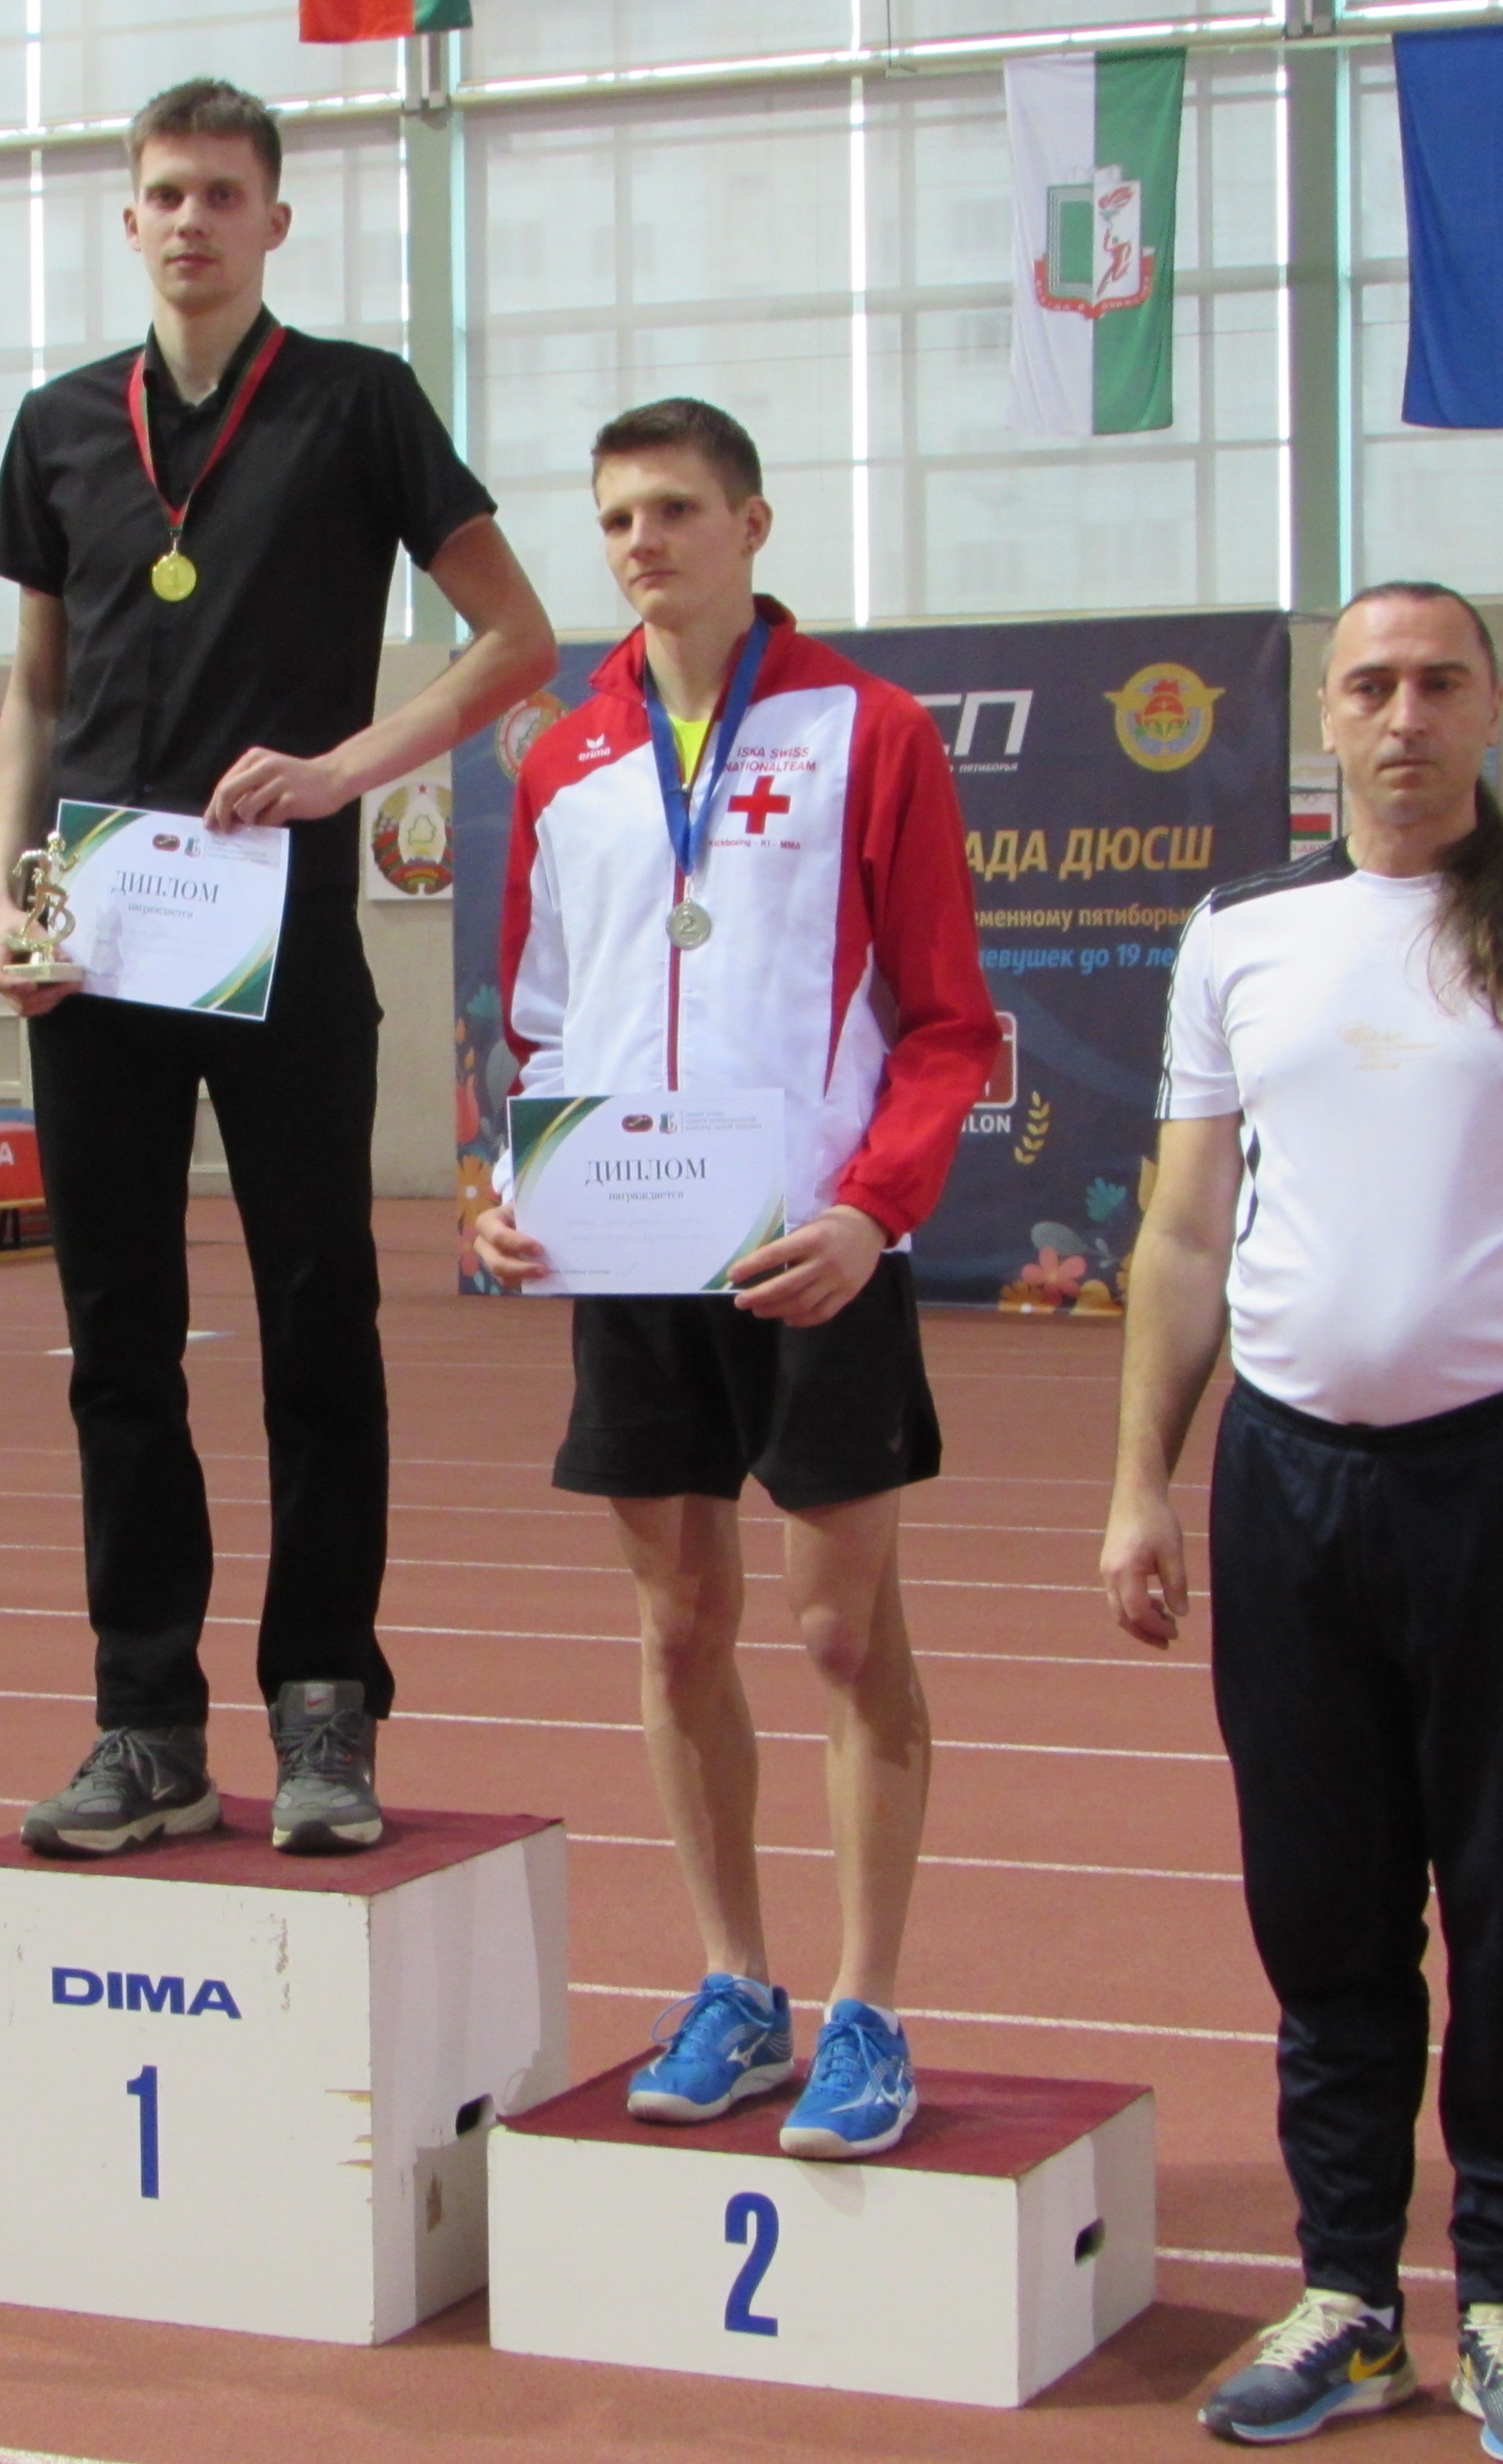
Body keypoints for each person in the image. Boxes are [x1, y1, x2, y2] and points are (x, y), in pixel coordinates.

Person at [1101, 582, 1503, 2460]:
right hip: (1288, 1485)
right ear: (1326, 719)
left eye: (1437, 682)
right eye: (1368, 684)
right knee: (1323, 1917)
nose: (1402, 714)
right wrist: (1138, 1481)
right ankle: (1349, 2299)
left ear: (1488, 709)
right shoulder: (1240, 931)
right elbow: (1181, 1235)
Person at [0, 76, 558, 1856]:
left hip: (281, 928)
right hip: (98, 944)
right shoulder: (58, 425)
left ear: (274, 221)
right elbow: (35, 691)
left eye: (223, 194)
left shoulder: (357, 402)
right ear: (128, 216)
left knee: (317, 1320)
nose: (191, 220)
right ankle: (146, 1720)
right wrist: (8, 898)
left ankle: (324, 1708)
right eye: (164, 192)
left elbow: (517, 637)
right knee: (115, 1339)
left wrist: (340, 771)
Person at [470, 400, 995, 2159]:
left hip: (814, 1248)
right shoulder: (563, 761)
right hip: (631, 1251)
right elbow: (543, 1022)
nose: (644, 543)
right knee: (678, 1623)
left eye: (677, 510)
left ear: (752, 524)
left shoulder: (870, 730)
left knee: (841, 1633)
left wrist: (868, 1211)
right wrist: (509, 1186)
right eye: (618, 515)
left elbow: (948, 1026)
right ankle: (735, 1983)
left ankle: (867, 2006)